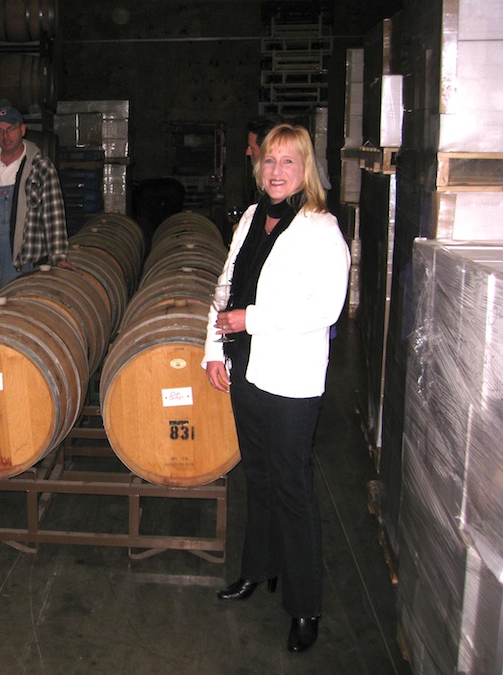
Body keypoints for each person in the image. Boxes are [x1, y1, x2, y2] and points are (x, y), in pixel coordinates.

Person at [203, 124, 350, 652]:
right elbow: (225, 285)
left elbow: (325, 308)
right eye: (269, 160)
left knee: (292, 488)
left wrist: (252, 320)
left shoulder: (321, 228)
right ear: (258, 166)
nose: (277, 170)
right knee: (259, 477)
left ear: (305, 169)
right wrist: (212, 348)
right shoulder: (250, 217)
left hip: (291, 380)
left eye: (289, 161)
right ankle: (257, 569)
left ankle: (304, 606)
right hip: (246, 368)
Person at [0, 106, 70, 307]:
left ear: (22, 130)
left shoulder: (40, 167)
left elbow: (54, 215)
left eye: (10, 129)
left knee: (18, 316)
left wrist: (58, 256)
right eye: (0, 130)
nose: (5, 136)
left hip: (21, 262)